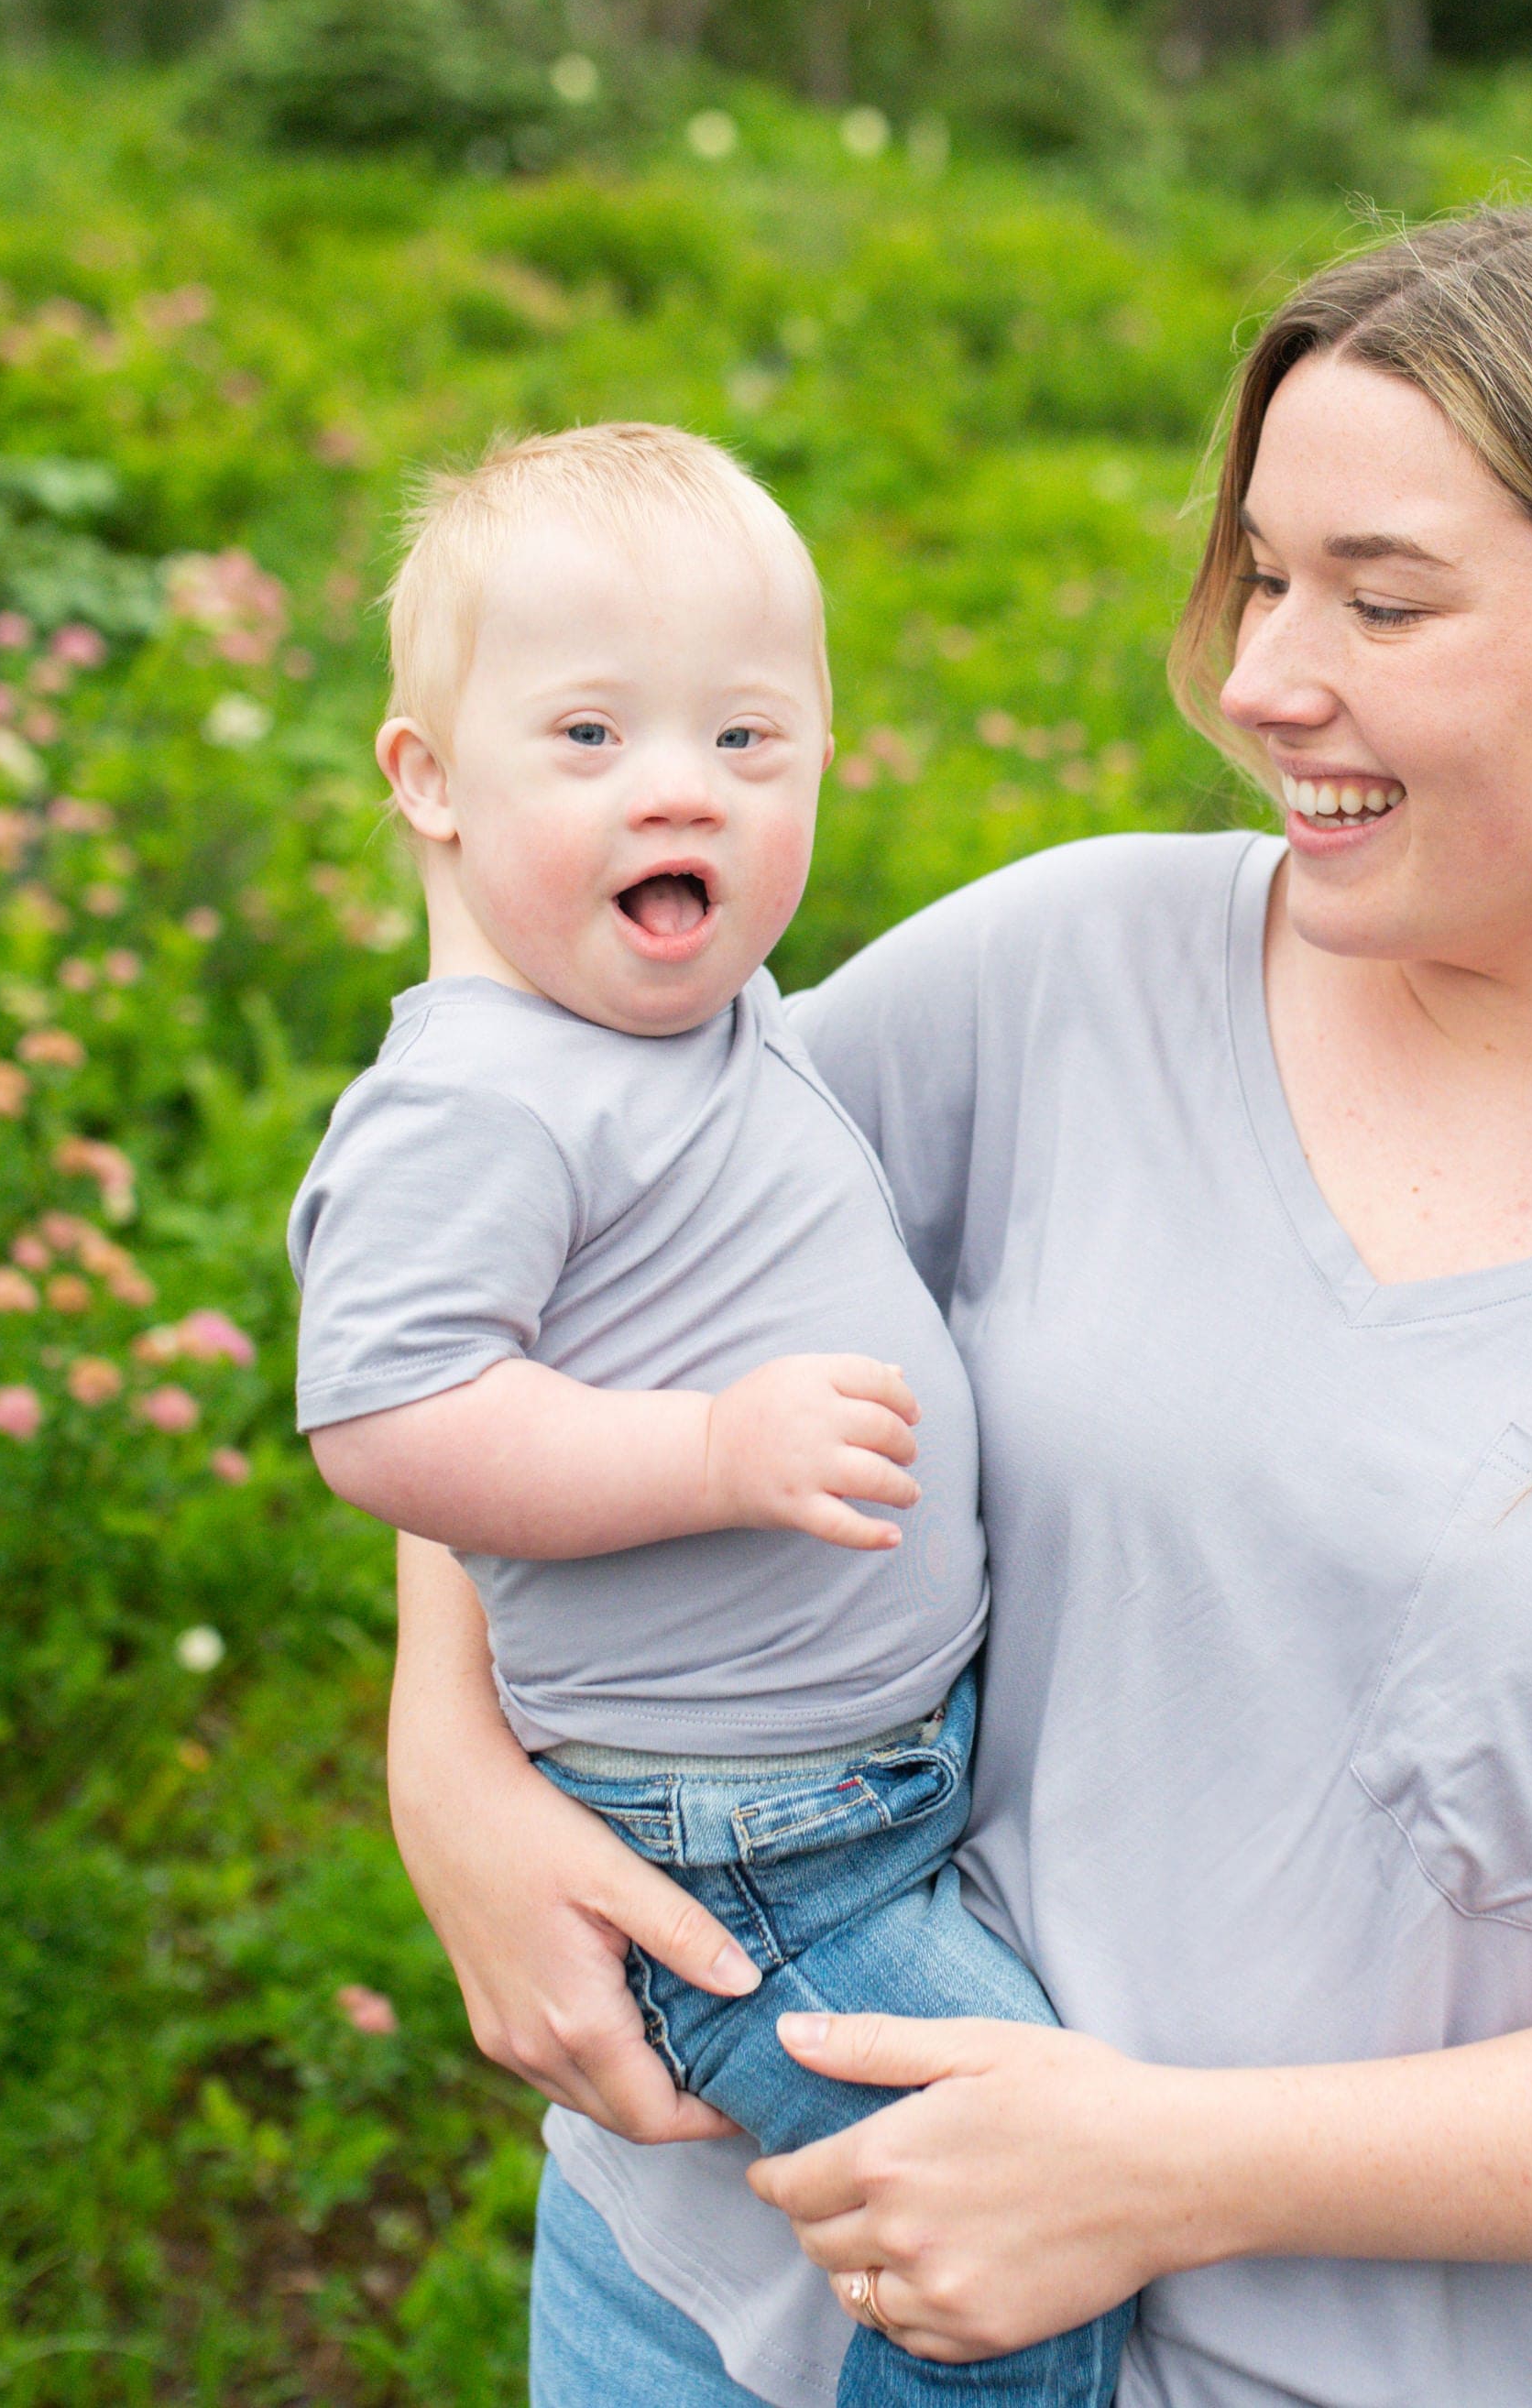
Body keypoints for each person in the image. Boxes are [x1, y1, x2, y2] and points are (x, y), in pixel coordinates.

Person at [385, 206, 1532, 2408]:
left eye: (1384, 601)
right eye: (1268, 574)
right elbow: (522, 1297)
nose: (1258, 679)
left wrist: (1177, 2172)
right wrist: (445, 1758)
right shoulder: (1064, 975)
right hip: (717, 2315)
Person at [289, 423, 1130, 2407]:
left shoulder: (710, 1019)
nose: (681, 785)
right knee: (1002, 2234)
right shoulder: (481, 1098)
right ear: (429, 784)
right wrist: (708, 1456)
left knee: (958, 2194)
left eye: (749, 744)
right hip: (752, 1854)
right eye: (588, 738)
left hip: (854, 1789)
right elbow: (390, 1419)